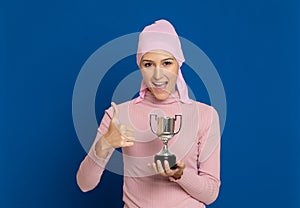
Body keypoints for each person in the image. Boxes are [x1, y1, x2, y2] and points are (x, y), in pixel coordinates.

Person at [76, 19, 221, 208]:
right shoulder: (118, 115)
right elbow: (84, 184)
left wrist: (180, 175)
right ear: (140, 66)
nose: (158, 75)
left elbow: (210, 194)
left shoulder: (205, 115)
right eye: (148, 64)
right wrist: (104, 144)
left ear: (178, 64)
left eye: (167, 63)